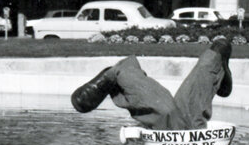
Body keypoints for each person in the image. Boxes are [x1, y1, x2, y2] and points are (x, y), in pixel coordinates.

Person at [70, 37, 232, 131]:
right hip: (180, 130)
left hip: (183, 130)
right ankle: (116, 74)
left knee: (169, 111)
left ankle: (218, 59)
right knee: (168, 110)